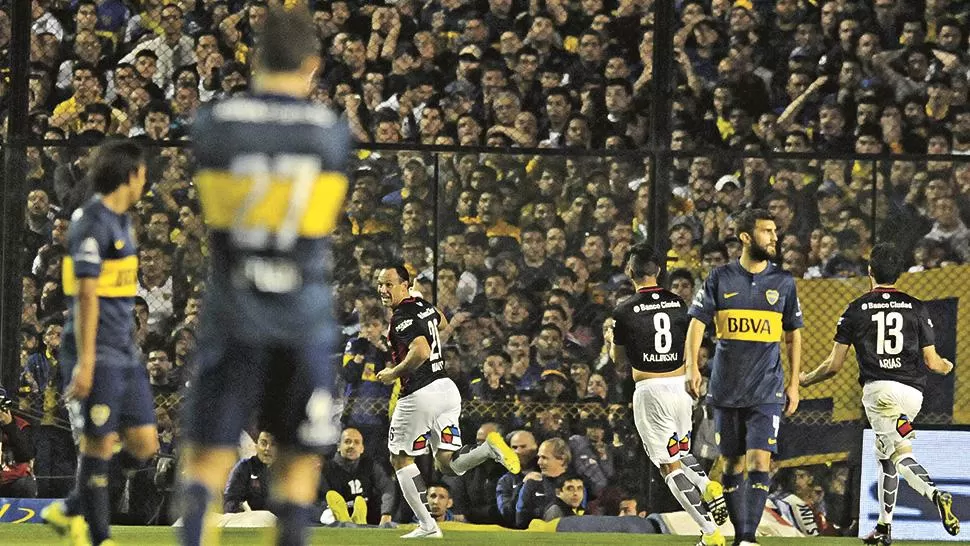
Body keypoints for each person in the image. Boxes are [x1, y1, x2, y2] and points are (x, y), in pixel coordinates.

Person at [177, 7, 351, 546]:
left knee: (206, 459)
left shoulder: (214, 124)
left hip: (233, 309)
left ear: (254, 59)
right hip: (303, 315)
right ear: (314, 65)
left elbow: (211, 210)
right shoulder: (331, 132)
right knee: (298, 464)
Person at [800, 243, 959, 544]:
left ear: (870, 271)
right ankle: (885, 528)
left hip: (880, 393)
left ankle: (934, 493)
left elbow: (834, 365)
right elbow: (932, 363)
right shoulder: (916, 307)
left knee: (899, 454)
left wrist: (807, 379)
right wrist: (947, 366)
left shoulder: (857, 308)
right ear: (899, 273)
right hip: (911, 396)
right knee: (884, 454)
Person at [41, 140, 159, 546]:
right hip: (95, 347)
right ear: (130, 174)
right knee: (99, 443)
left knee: (145, 445)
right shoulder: (90, 222)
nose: (147, 178)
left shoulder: (123, 220)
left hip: (124, 348)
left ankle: (73, 504)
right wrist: (86, 361)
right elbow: (86, 295)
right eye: (143, 171)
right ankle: (98, 536)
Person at [374, 264, 520, 538]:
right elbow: (441, 321)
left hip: (420, 393)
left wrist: (392, 372)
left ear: (405, 284)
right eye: (380, 284)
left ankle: (428, 525)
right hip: (445, 389)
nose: (383, 289)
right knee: (446, 462)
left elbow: (420, 350)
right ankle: (487, 450)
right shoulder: (421, 305)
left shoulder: (401, 317)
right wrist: (418, 299)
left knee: (400, 458)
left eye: (389, 284)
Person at [686, 208, 803, 546]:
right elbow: (697, 323)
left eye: (775, 231)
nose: (775, 238)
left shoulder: (783, 282)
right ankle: (740, 535)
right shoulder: (720, 277)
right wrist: (692, 367)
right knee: (732, 463)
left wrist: (793, 383)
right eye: (767, 231)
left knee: (759, 459)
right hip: (725, 388)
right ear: (746, 237)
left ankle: (748, 539)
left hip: (766, 389)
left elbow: (794, 335)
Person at [611, 243, 726, 546]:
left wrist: (616, 341)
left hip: (651, 390)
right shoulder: (678, 304)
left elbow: (619, 361)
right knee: (681, 451)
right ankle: (706, 485)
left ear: (630, 271)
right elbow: (691, 343)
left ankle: (710, 531)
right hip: (681, 388)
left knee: (668, 466)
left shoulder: (623, 310)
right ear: (659, 271)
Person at [319, 427, 396, 526]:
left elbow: (388, 488)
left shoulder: (370, 465)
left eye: (356, 442)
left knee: (377, 506)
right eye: (347, 441)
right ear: (338, 446)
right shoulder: (326, 468)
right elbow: (318, 498)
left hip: (367, 514)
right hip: (332, 514)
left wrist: (386, 513)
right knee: (326, 514)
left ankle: (355, 521)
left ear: (362, 448)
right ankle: (344, 520)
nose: (352, 445)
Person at [223, 431, 277, 513]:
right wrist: (239, 508)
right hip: (252, 521)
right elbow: (230, 500)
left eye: (273, 444)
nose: (267, 448)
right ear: (256, 446)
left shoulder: (289, 470)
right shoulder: (245, 467)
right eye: (263, 443)